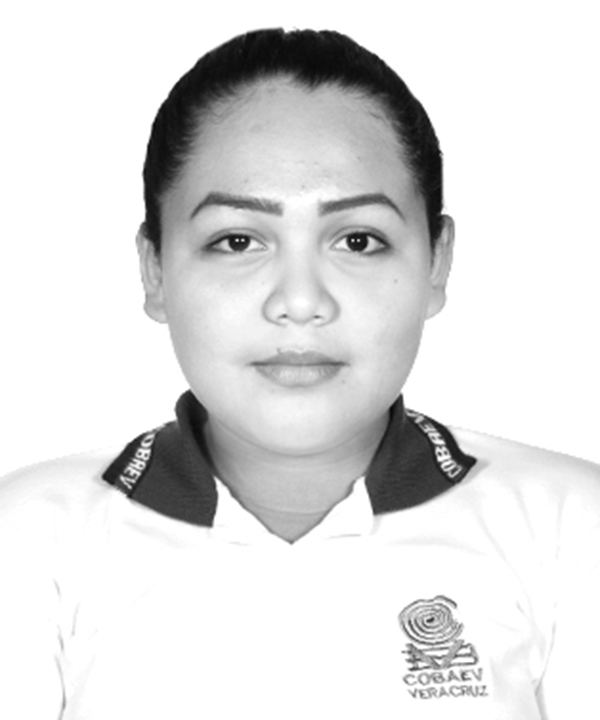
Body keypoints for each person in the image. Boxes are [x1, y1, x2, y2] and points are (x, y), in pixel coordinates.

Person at [0, 27, 598, 720]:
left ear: (436, 262)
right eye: (237, 240)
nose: (301, 301)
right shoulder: (28, 539)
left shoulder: (571, 529)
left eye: (358, 240)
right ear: (155, 269)